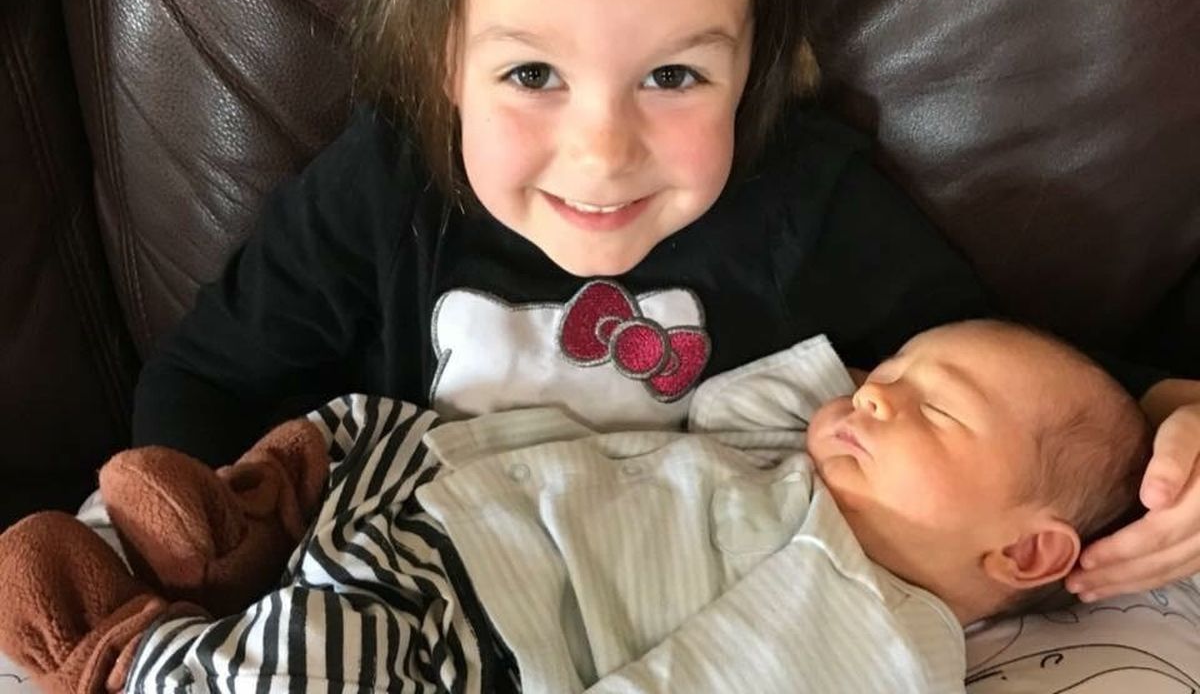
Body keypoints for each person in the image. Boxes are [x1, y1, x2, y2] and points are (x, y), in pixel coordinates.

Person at [129, 0, 1200, 633]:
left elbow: (1010, 387)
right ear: (448, 56)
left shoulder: (807, 202)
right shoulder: (383, 188)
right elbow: (206, 381)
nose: (603, 152)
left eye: (674, 76)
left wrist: (1168, 418)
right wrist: (210, 570)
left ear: (751, 66)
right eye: (532, 73)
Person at [0, 320, 1152, 693]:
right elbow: (740, 404)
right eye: (889, 369)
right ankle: (242, 532)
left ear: (1026, 549)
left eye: (935, 409)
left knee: (314, 660)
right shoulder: (806, 472)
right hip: (452, 501)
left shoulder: (885, 630)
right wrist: (862, 399)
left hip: (483, 638)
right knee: (358, 425)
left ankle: (129, 650)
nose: (878, 393)